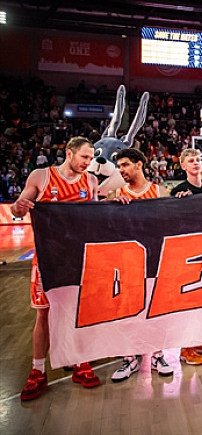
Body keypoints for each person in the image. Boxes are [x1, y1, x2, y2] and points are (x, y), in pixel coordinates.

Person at [11, 137, 102, 401]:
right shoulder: (42, 176)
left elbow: (97, 215)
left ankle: (81, 362)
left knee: (79, 313)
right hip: (47, 258)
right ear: (69, 153)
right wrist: (19, 206)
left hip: (77, 257)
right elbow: (18, 209)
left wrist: (115, 205)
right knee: (44, 315)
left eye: (91, 158)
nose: (88, 162)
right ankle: (38, 370)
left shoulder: (91, 181)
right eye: (84, 157)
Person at [107, 148, 175, 381]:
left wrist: (183, 200)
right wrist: (111, 206)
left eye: (125, 164)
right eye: (119, 166)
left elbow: (174, 220)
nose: (121, 170)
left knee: (156, 310)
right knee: (127, 310)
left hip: (154, 258)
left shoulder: (159, 191)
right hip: (126, 260)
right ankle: (129, 358)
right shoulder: (116, 193)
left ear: (139, 165)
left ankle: (157, 355)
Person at [168, 149, 202, 364]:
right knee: (189, 298)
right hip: (188, 250)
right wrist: (180, 205)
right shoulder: (179, 191)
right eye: (191, 160)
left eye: (198, 159)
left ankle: (200, 340)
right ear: (183, 166)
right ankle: (185, 347)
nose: (196, 163)